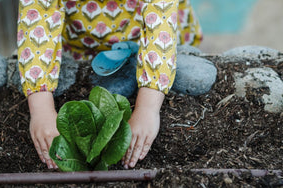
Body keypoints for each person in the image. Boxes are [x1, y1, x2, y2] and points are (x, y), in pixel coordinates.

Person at [17, 0, 202, 169]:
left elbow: (160, 22)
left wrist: (147, 108)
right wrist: (41, 108)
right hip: (79, 38)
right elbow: (38, 13)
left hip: (146, 33)